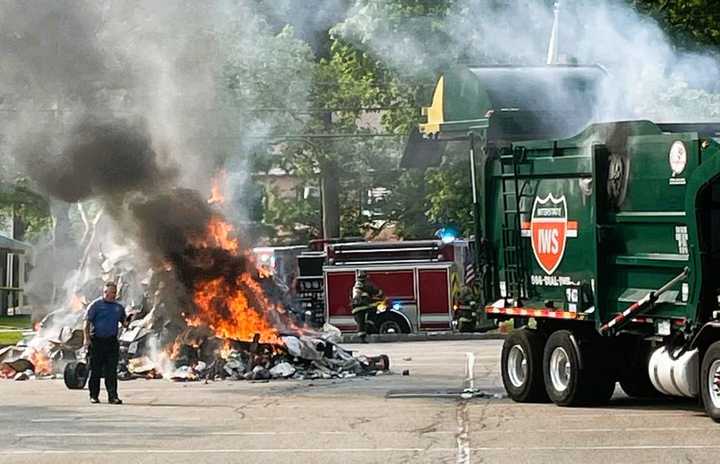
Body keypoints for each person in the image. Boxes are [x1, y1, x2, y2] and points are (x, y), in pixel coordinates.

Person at [83, 281, 127, 404]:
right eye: (109, 292)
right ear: (104, 292)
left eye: (114, 293)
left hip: (111, 342)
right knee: (95, 370)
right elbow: (86, 322)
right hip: (97, 341)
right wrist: (86, 339)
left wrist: (128, 321)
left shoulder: (118, 307)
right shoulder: (96, 305)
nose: (111, 295)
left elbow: (124, 323)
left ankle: (113, 396)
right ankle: (94, 395)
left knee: (111, 371)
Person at [350, 271, 384, 342]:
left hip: (357, 307)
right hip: (362, 306)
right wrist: (380, 293)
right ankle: (369, 328)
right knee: (372, 313)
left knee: (361, 323)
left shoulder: (356, 285)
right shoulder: (364, 285)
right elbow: (373, 290)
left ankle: (362, 338)